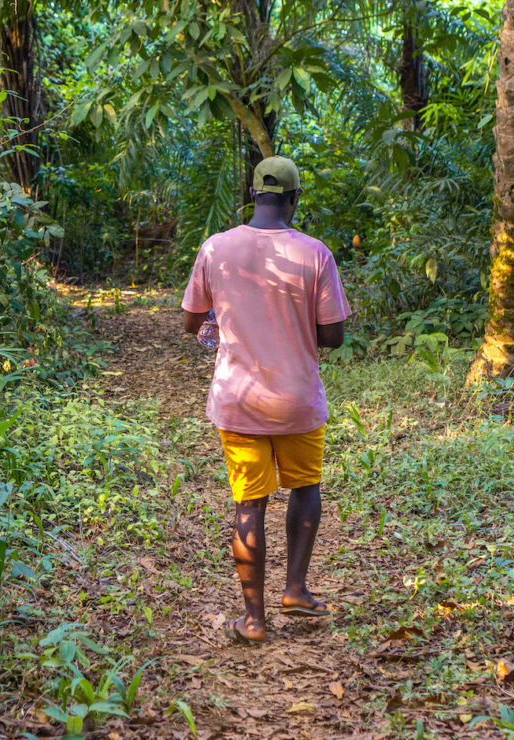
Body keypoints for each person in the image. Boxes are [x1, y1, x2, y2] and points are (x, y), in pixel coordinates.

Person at [181, 155, 351, 644]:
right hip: (297, 398)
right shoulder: (315, 253)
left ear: (252, 195)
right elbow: (333, 335)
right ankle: (295, 588)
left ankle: (253, 619)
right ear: (295, 199)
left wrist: (225, 319)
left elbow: (191, 322)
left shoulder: (216, 249)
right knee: (305, 487)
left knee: (248, 503)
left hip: (239, 401)